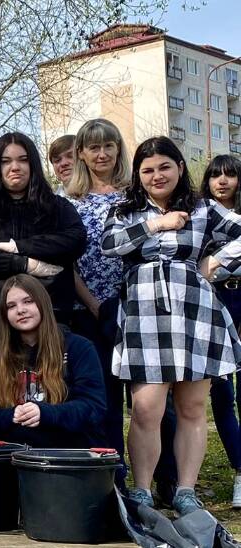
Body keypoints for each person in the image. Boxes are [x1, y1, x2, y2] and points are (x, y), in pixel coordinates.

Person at [103, 136, 241, 514]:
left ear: (180, 167)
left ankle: (185, 491)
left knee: (192, 407)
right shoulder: (125, 209)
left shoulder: (204, 208)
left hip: (195, 312)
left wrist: (219, 263)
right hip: (144, 314)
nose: (157, 175)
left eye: (164, 167)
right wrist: (155, 224)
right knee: (146, 409)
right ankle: (142, 491)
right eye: (147, 170)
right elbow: (109, 244)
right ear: (138, 174)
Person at [0, 131, 86, 365]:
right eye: (6, 161)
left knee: (52, 386)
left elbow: (75, 241)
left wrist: (17, 246)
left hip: (51, 318)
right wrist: (27, 264)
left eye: (23, 160)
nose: (15, 167)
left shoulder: (56, 207)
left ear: (33, 164)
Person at [66, 118, 132, 480]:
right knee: (102, 396)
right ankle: (110, 474)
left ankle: (162, 478)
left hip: (137, 310)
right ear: (81, 153)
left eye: (108, 146)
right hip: (87, 312)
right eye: (94, 147)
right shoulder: (69, 201)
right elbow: (68, 263)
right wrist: (97, 306)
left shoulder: (134, 195)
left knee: (150, 401)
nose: (102, 154)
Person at [0, 275, 106, 447]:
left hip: (68, 452)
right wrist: (12, 414)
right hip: (14, 454)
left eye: (28, 301)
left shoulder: (79, 348)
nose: (20, 310)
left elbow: (93, 407)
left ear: (43, 303)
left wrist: (45, 413)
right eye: (11, 306)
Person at [201, 154, 241, 506]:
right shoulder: (200, 215)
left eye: (230, 174)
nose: (222, 181)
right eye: (216, 175)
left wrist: (219, 261)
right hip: (214, 302)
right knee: (221, 393)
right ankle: (240, 469)